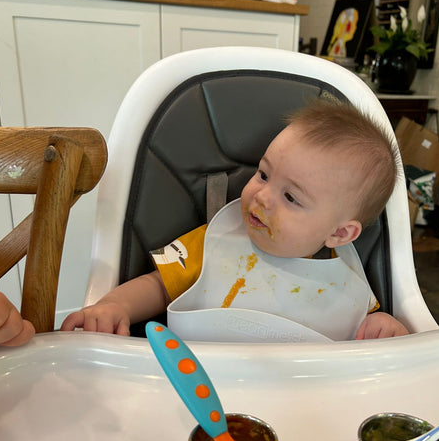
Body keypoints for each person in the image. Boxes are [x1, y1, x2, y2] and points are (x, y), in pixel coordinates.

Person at [62, 99, 409, 340]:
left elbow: (360, 328)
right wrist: (113, 306)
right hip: (198, 393)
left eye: (290, 197)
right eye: (263, 174)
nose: (261, 196)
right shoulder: (219, 240)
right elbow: (157, 285)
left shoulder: (346, 283)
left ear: (340, 233)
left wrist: (380, 325)